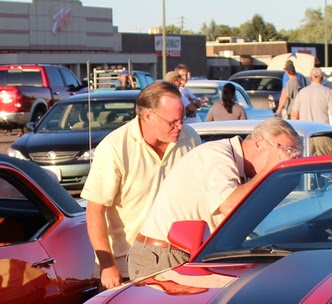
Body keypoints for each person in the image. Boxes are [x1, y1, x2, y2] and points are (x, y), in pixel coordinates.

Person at [128, 118, 301, 281]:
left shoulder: (244, 170)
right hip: (165, 255)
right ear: (259, 143)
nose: (286, 158)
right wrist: (270, 169)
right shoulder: (216, 156)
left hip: (193, 254)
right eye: (285, 150)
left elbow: (247, 221)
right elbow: (230, 206)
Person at [82, 81, 199, 290]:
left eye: (182, 119)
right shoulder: (114, 149)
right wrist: (107, 264)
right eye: (172, 122)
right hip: (126, 269)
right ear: (148, 116)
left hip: (179, 264)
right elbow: (95, 211)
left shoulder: (190, 139)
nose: (179, 127)